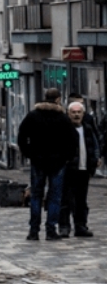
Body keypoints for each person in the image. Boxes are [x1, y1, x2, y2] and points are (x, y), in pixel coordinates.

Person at [17, 88, 77, 241]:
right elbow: (73, 140)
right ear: (58, 99)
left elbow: (22, 136)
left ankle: (34, 231)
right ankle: (51, 230)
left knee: (36, 195)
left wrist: (29, 153)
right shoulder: (62, 118)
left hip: (38, 161)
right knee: (55, 197)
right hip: (57, 163)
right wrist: (66, 157)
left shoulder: (33, 116)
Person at [58, 102, 102, 238]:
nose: (76, 115)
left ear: (83, 114)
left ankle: (81, 226)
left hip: (84, 169)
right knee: (65, 199)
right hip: (68, 169)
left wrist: (96, 159)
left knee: (81, 201)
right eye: (73, 112)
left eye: (79, 112)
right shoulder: (64, 128)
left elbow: (95, 145)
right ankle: (64, 227)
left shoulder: (87, 128)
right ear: (68, 113)